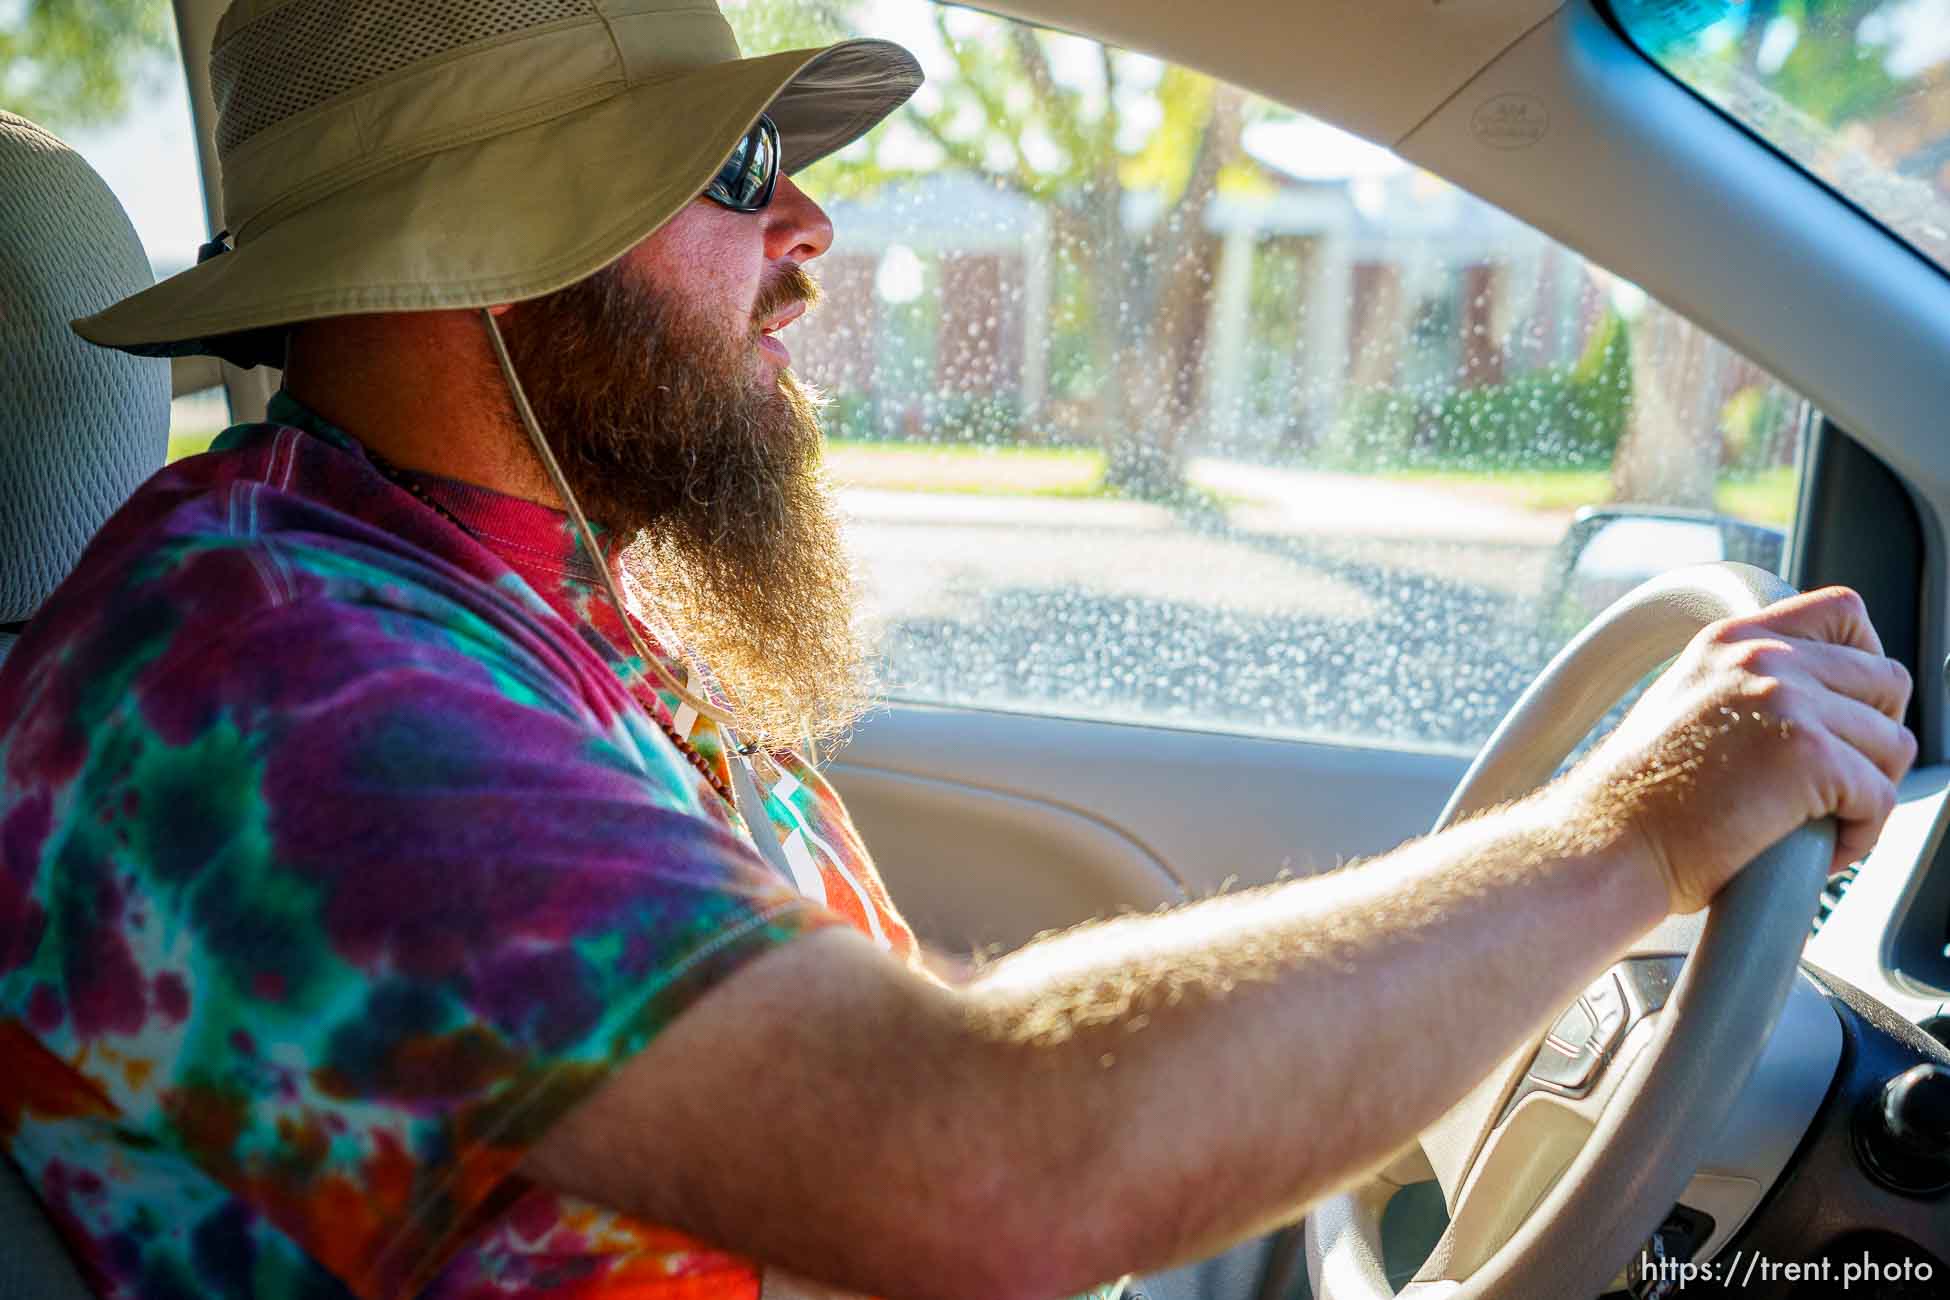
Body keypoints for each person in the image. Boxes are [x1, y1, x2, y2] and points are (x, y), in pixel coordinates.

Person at [0, 2, 1917, 1297]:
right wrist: (1626, 840)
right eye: (739, 171)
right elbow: (975, 1161)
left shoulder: (511, 602)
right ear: (475, 244)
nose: (810, 224)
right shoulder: (277, 691)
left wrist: (1466, 1014)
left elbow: (887, 1063)